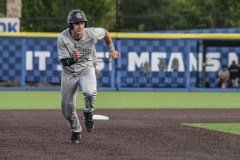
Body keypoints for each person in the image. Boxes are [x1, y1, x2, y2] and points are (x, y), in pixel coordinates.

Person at [57, 9, 120, 144]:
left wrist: (112, 49)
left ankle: (88, 112)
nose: (80, 26)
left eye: (82, 23)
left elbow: (105, 32)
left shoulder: (91, 33)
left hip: (86, 68)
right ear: (70, 25)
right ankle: (76, 130)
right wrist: (73, 59)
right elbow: (64, 61)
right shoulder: (62, 38)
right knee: (66, 110)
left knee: (90, 92)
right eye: (76, 23)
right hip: (69, 72)